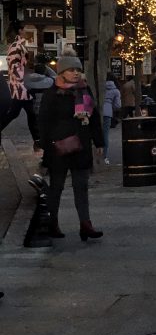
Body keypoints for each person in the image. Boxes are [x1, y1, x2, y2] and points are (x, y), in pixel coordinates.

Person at [38, 55, 103, 241]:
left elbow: (94, 117)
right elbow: (43, 122)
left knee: (81, 186)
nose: (75, 73)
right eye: (71, 70)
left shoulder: (84, 90)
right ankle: (53, 223)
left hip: (80, 146)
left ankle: (86, 224)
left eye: (77, 70)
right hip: (58, 148)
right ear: (61, 72)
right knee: (56, 187)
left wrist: (99, 142)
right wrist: (45, 146)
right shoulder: (52, 94)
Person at [1, 22, 41, 150]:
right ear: (19, 31)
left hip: (21, 86)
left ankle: (37, 141)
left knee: (18, 113)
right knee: (29, 113)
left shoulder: (18, 45)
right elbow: (14, 66)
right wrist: (24, 79)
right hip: (20, 87)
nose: (25, 32)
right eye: (24, 30)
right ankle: (38, 142)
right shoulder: (16, 46)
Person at [101, 72, 122, 165]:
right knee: (105, 135)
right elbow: (117, 105)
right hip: (107, 112)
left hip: (96, 111)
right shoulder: (115, 90)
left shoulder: (100, 87)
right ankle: (104, 156)